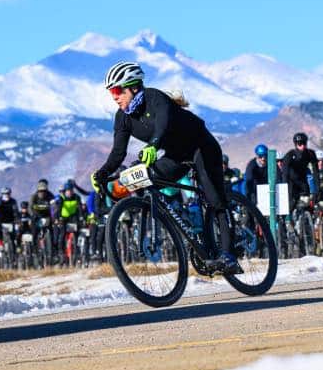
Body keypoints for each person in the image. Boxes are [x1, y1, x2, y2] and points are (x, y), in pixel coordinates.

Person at [90, 60, 240, 273]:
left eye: (116, 90)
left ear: (133, 87)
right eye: (110, 92)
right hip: (175, 155)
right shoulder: (122, 117)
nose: (114, 96)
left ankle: (229, 255)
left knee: (214, 198)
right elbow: (118, 153)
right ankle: (188, 231)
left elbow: (163, 123)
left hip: (201, 146)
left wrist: (153, 145)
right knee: (144, 180)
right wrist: (102, 173)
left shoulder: (154, 97)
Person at [281, 132, 319, 214]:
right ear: (295, 144)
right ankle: (287, 222)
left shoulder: (311, 154)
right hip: (291, 182)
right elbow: (285, 174)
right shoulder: (289, 155)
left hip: (303, 181)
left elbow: (316, 173)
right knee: (292, 203)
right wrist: (285, 190)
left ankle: (306, 223)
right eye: (299, 143)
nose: (302, 146)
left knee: (308, 203)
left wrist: (316, 189)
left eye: (304, 143)